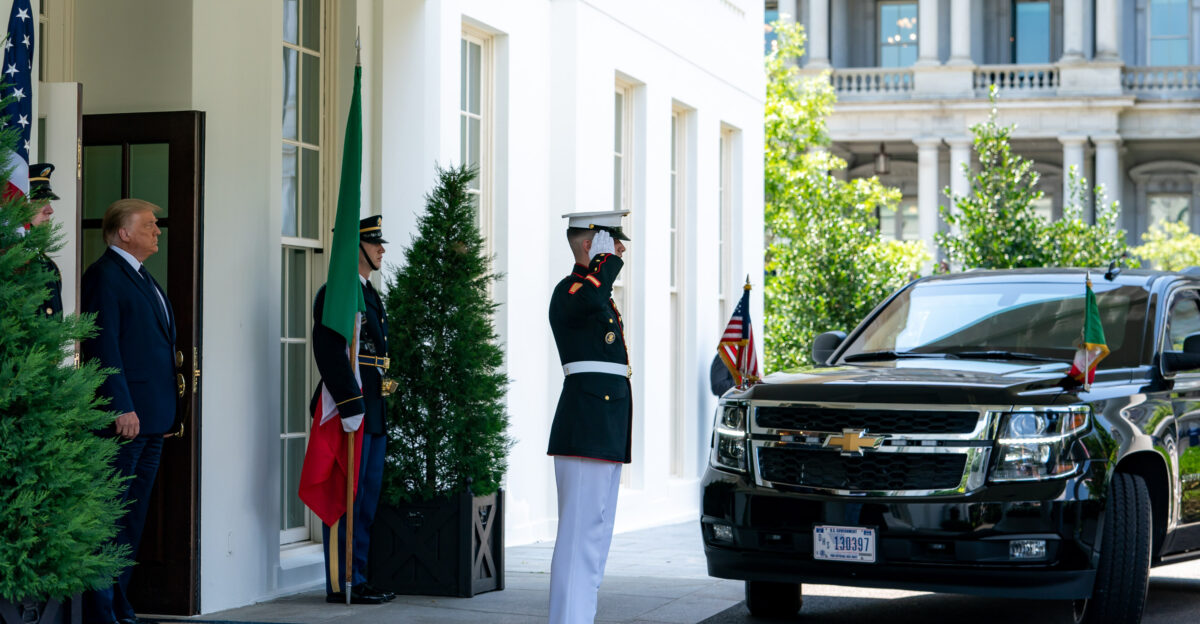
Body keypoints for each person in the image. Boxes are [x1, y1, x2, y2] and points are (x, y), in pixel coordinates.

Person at [80, 198, 177, 624]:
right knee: (111, 514)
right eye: (150, 225)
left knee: (133, 518)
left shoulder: (141, 275)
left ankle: (120, 603)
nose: (158, 231)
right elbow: (104, 346)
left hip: (153, 419)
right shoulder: (104, 276)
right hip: (126, 420)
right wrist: (121, 406)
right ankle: (102, 610)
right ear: (124, 232)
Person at [547, 209, 633, 623]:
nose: (619, 250)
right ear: (589, 245)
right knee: (578, 535)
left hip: (605, 425)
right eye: (610, 242)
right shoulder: (570, 292)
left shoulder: (594, 293)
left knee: (595, 535)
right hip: (585, 425)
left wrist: (602, 265)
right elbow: (592, 297)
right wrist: (603, 265)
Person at [311, 215, 395, 605]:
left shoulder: (368, 293)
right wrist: (349, 405)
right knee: (345, 495)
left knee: (366, 499)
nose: (381, 250)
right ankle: (339, 580)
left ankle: (357, 574)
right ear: (355, 248)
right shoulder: (337, 294)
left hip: (372, 408)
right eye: (375, 243)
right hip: (351, 409)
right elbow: (329, 352)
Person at [15, 163, 63, 317]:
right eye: (39, 202)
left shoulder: (47, 265)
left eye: (48, 202)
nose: (50, 210)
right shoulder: (9, 262)